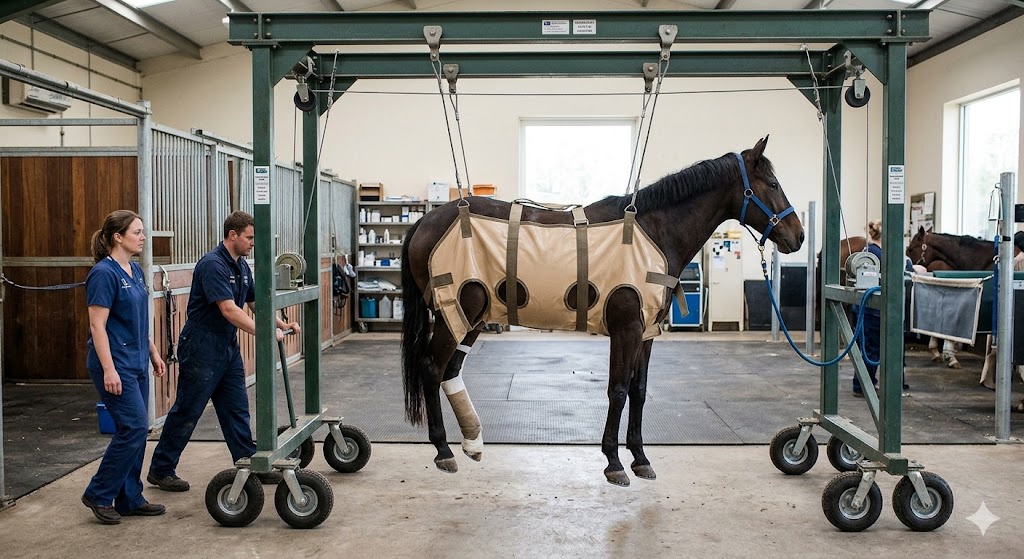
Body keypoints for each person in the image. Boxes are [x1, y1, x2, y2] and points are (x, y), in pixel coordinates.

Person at [147, 211, 299, 491]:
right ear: (233, 235)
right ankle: (161, 469)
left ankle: (249, 462)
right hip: (202, 347)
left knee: (236, 408)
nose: (253, 243)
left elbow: (254, 302)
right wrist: (266, 333)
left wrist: (280, 322)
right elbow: (228, 309)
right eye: (249, 238)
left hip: (226, 347)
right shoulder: (213, 265)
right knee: (187, 410)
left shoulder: (241, 266)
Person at [82, 210, 167, 524]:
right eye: (137, 232)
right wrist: (109, 369)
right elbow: (97, 325)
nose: (143, 237)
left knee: (137, 431)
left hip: (136, 362)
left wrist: (154, 353)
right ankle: (99, 493)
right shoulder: (103, 274)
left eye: (142, 232)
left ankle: (130, 498)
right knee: (131, 429)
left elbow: (139, 321)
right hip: (114, 363)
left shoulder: (134, 270)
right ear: (117, 237)